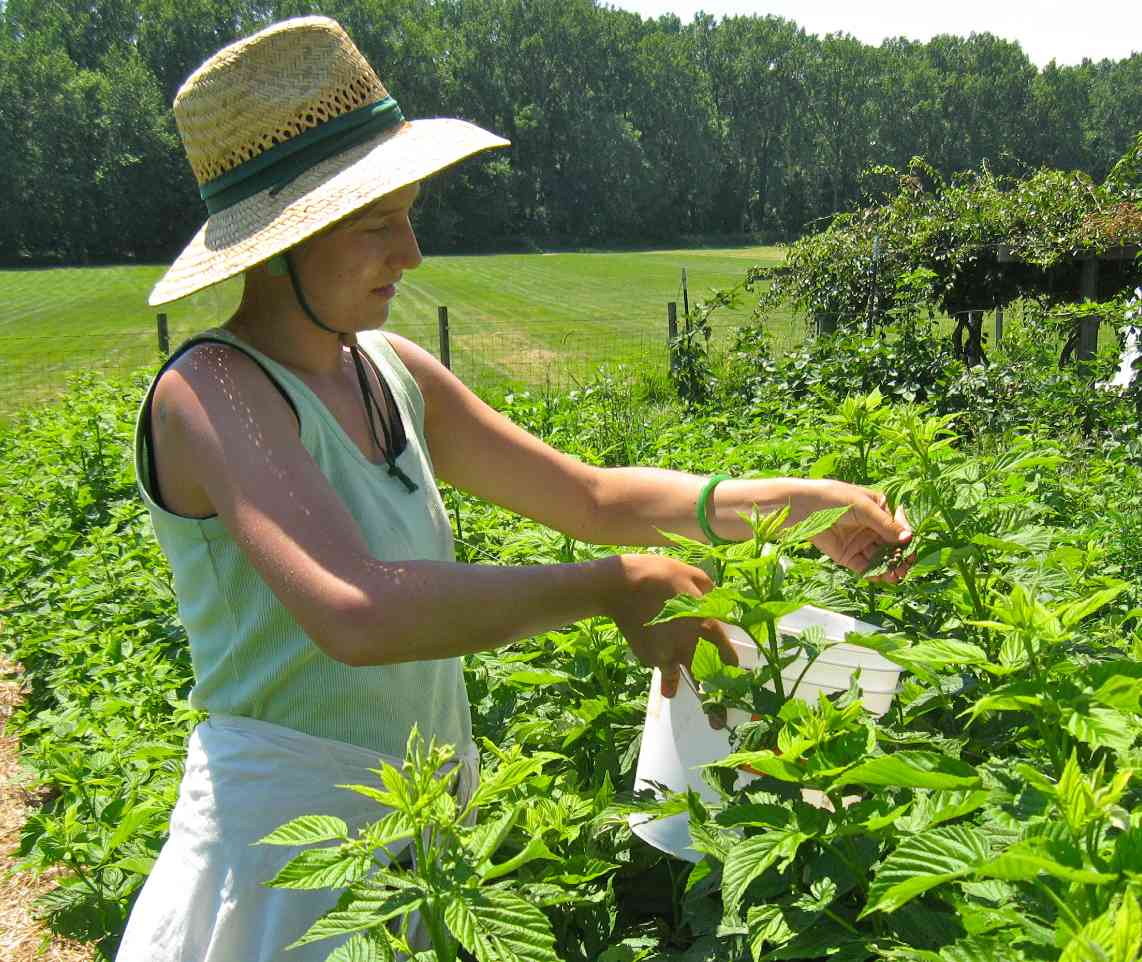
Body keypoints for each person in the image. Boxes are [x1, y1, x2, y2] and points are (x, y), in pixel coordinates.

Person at [118, 15, 914, 961]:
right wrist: (610, 585)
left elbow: (587, 496)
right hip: (285, 862)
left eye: (407, 215)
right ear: (280, 243)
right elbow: (357, 609)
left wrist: (798, 501)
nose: (409, 253)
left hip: (424, 825)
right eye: (376, 225)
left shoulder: (386, 369)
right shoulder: (212, 392)